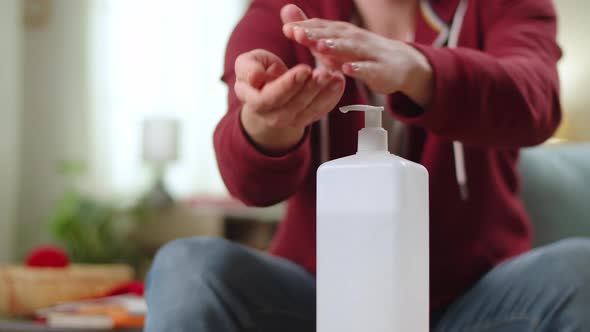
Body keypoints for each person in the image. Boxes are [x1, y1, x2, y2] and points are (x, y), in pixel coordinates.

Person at [145, 0, 590, 331]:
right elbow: (248, 182)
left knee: (579, 269)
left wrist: (419, 70)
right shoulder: (284, 14)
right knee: (188, 267)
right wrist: (267, 124)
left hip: (475, 300)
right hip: (320, 299)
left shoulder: (500, 6)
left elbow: (536, 100)